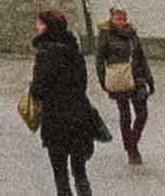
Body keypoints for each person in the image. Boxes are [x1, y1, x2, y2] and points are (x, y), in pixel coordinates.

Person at [30, 11, 101, 196]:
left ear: (47, 27)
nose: (36, 26)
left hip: (56, 120)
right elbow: (82, 83)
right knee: (80, 172)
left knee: (60, 173)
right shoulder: (74, 51)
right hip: (79, 116)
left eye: (39, 23)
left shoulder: (45, 54)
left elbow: (38, 89)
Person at [93, 8, 154, 166]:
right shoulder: (106, 35)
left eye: (123, 18)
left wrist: (150, 80)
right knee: (125, 115)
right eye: (118, 18)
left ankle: (131, 143)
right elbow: (99, 59)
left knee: (142, 114)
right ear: (111, 19)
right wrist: (103, 80)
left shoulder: (132, 33)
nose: (121, 21)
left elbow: (141, 57)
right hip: (119, 79)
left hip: (137, 78)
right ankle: (132, 152)